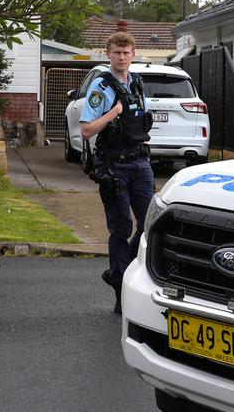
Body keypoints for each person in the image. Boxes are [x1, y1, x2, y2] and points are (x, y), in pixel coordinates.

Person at [80, 32, 154, 314]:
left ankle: (120, 271)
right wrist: (114, 112)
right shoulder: (102, 86)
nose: (121, 57)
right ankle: (121, 289)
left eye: (126, 53)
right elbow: (86, 130)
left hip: (140, 163)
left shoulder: (137, 83)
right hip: (113, 166)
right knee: (121, 228)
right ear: (107, 54)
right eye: (116, 52)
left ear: (133, 54)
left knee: (150, 223)